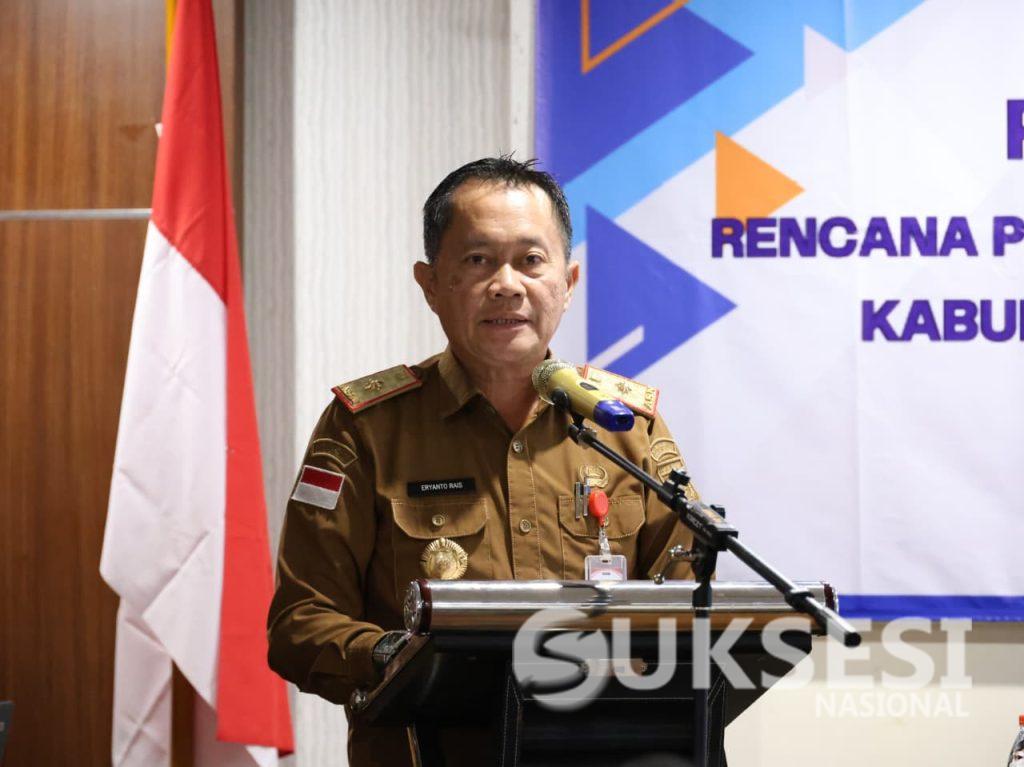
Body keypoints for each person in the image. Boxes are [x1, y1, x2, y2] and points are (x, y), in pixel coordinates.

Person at [267, 156, 699, 766]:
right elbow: (301, 622)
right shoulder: (365, 430)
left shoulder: (625, 427)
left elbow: (688, 599)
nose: (507, 284)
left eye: (531, 260)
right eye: (477, 260)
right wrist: (403, 661)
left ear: (568, 281)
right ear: (429, 284)